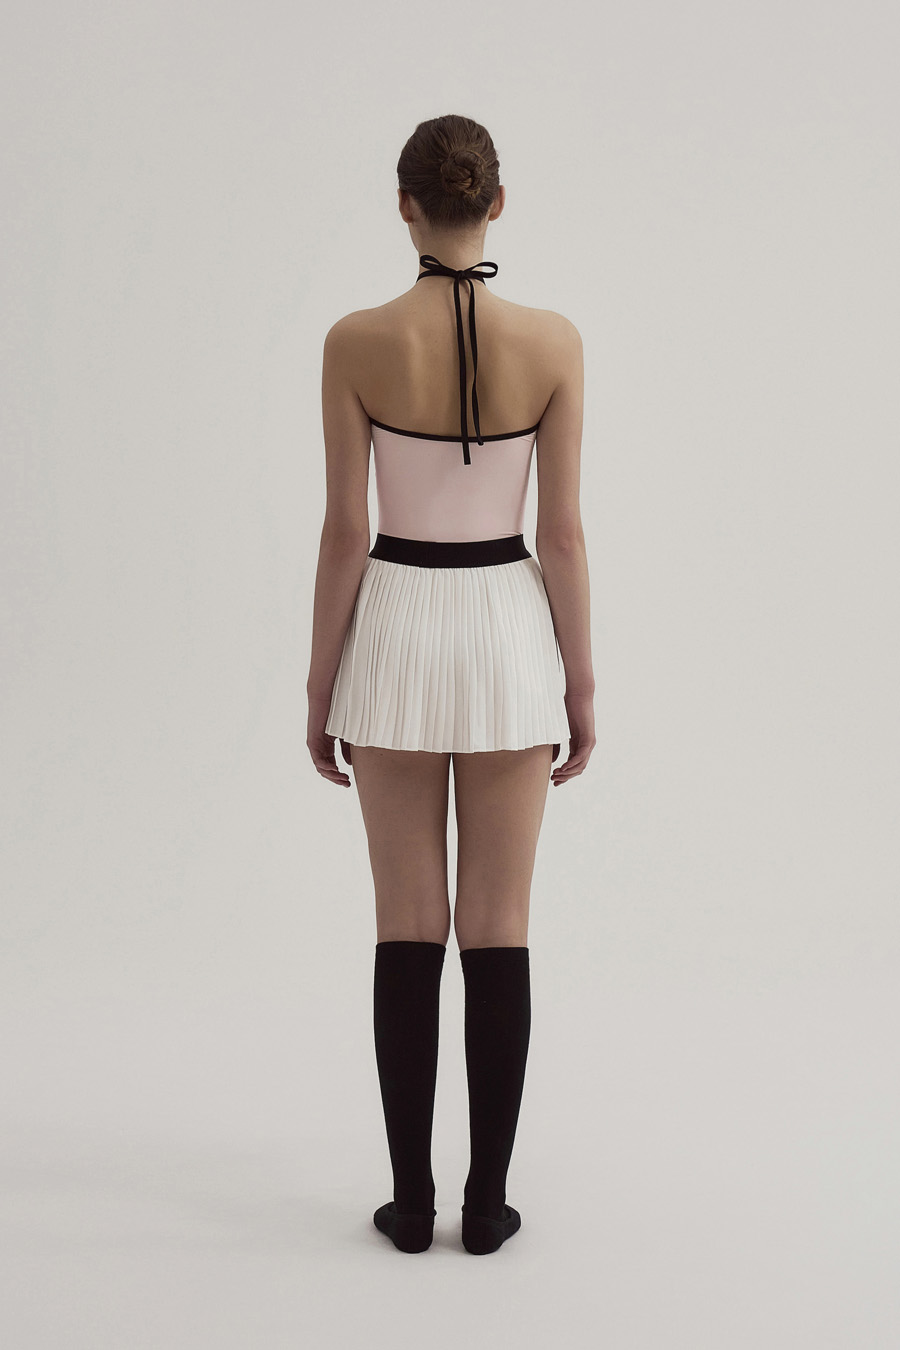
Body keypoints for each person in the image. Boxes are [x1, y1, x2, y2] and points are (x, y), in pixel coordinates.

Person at [306, 114, 595, 1255]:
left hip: (395, 627)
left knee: (407, 924)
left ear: (405, 206)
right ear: (498, 204)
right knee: (499, 926)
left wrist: (319, 685)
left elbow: (345, 532)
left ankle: (411, 1202)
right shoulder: (555, 342)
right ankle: (487, 1205)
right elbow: (561, 535)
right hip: (509, 630)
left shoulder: (355, 342)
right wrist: (582, 685)